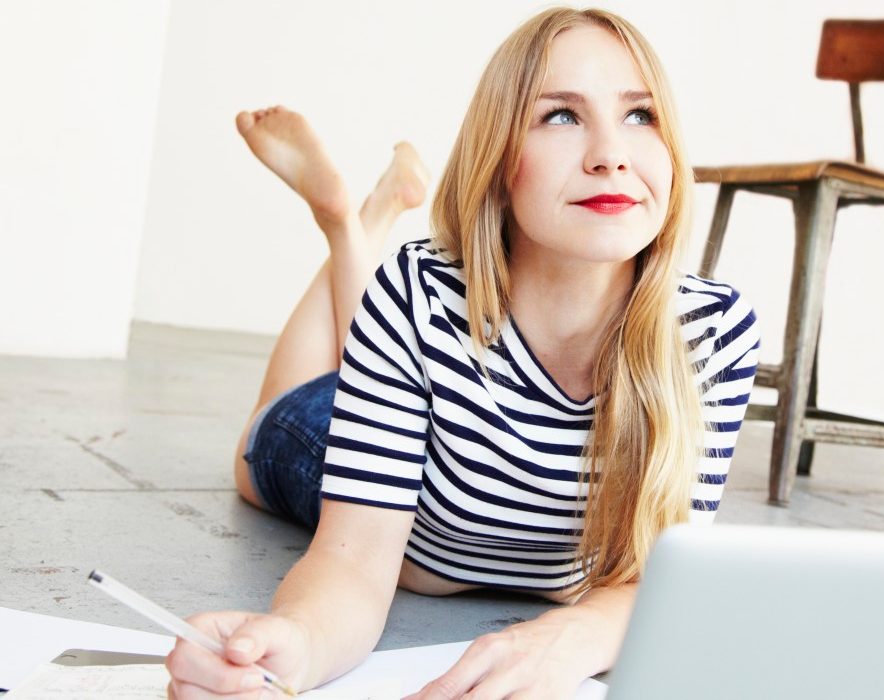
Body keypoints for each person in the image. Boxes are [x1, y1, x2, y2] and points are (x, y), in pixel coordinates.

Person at [164, 7, 760, 699]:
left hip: (434, 391)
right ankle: (347, 229)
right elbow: (352, 564)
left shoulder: (712, 330)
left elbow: (658, 581)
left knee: (397, 315)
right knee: (264, 433)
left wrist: (565, 642)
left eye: (641, 115)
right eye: (561, 116)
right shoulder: (416, 294)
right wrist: (295, 640)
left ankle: (363, 220)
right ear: (500, 160)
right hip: (350, 448)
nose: (611, 154)